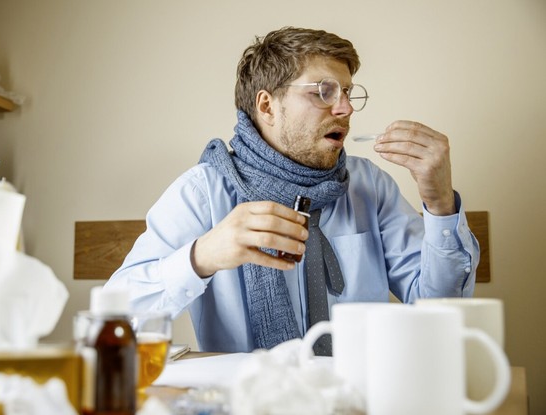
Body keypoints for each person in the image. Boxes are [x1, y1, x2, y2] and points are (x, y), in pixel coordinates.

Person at [106, 26, 480, 353]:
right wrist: (201, 256)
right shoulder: (202, 193)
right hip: (248, 397)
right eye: (324, 91)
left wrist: (440, 204)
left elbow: (440, 310)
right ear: (267, 106)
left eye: (347, 93)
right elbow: (114, 318)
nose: (346, 109)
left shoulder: (370, 186)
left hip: (361, 394)